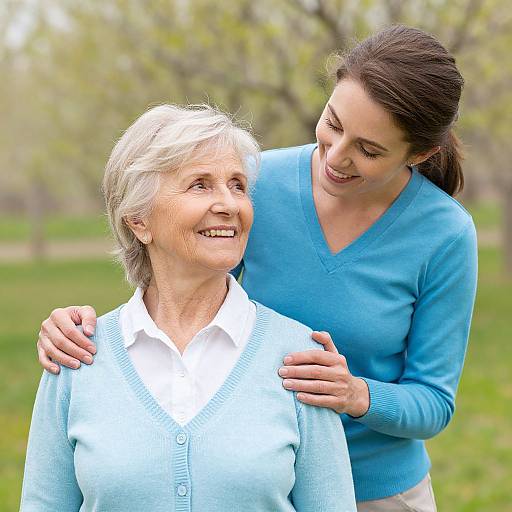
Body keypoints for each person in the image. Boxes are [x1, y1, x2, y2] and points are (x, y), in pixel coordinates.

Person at [35, 25, 478, 511]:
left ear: (419, 154)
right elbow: (180, 280)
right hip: (248, 475)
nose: (336, 155)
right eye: (332, 123)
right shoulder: (255, 185)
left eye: (369, 150)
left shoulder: (444, 235)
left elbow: (434, 401)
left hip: (380, 491)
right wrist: (81, 329)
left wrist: (354, 394)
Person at [21, 105, 357, 511]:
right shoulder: (76, 356)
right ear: (138, 220)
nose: (229, 204)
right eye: (200, 185)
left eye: (237, 185)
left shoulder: (300, 356)